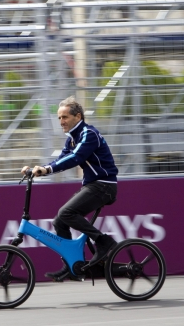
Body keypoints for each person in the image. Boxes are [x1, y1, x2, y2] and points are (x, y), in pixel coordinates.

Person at [21, 96, 118, 282]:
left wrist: (48, 169)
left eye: (64, 117)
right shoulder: (72, 138)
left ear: (78, 116)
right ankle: (72, 265)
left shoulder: (89, 134)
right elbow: (61, 159)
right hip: (93, 185)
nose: (61, 122)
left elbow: (75, 158)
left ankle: (104, 242)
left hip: (104, 185)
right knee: (59, 221)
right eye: (59, 118)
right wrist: (38, 170)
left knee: (66, 213)